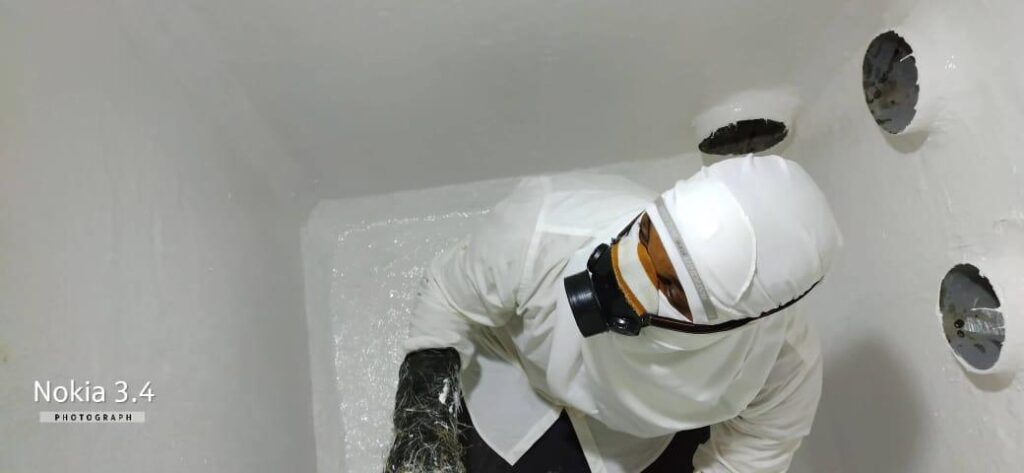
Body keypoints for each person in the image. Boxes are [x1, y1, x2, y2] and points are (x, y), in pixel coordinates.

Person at [384, 155, 842, 473]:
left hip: (645, 440)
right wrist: (420, 421)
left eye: (670, 287)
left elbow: (753, 451)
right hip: (516, 383)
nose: (624, 278)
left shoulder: (781, 363)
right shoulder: (548, 225)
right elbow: (448, 294)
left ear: (736, 323)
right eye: (645, 236)